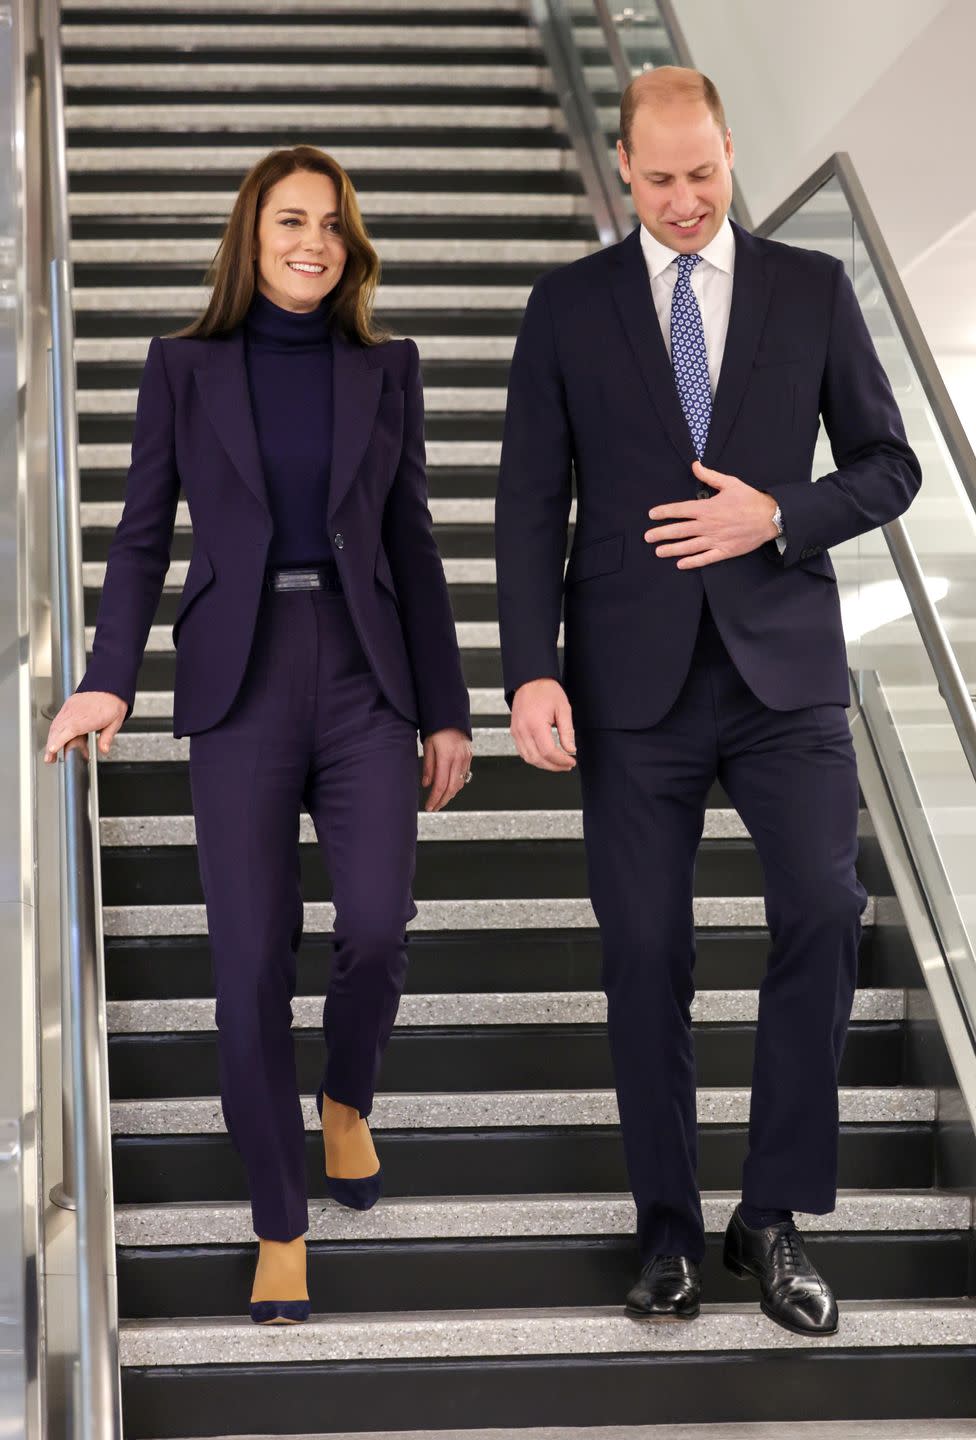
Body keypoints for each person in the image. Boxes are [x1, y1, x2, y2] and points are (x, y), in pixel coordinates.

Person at [495, 68, 921, 1334]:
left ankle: (772, 1216)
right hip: (628, 687)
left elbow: (890, 463)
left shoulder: (811, 287)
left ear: (731, 151)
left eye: (705, 173)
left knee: (823, 911)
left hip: (783, 674)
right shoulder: (565, 306)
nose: (686, 202)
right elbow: (527, 506)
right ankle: (669, 1231)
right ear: (623, 167)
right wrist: (528, 667)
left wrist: (779, 512)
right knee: (642, 955)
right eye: (661, 178)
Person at [44, 145, 473, 1325]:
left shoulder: (385, 368)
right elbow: (139, 540)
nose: (314, 241)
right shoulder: (183, 367)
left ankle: (346, 1097)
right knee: (245, 972)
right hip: (237, 685)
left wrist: (446, 705)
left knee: (378, 929)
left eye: (332, 224)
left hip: (364, 676)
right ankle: (279, 1221)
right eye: (291, 219)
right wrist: (105, 681)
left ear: (352, 244)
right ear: (252, 233)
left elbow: (414, 545)